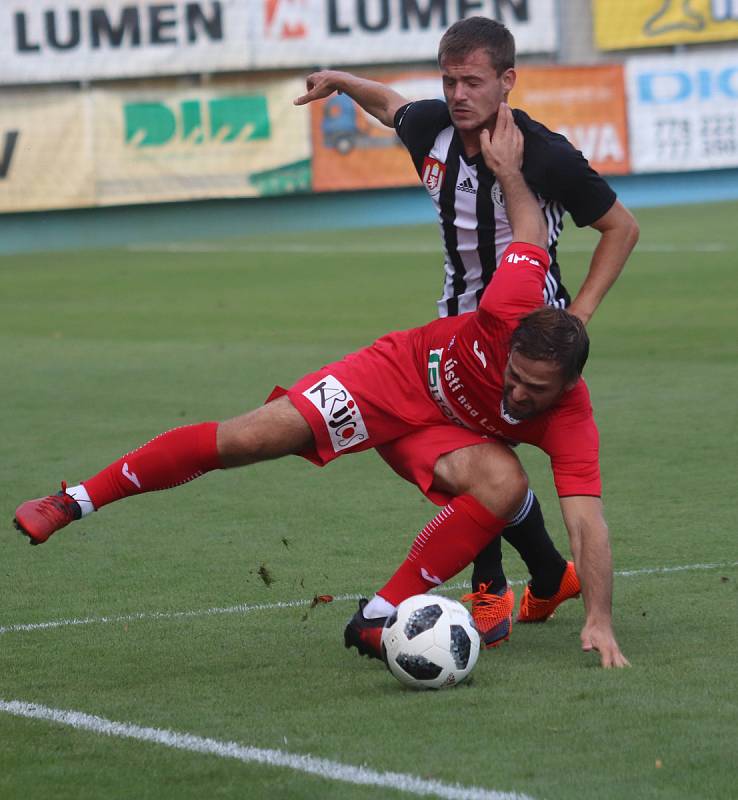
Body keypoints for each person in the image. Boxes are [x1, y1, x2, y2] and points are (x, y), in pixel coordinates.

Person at [14, 105, 629, 668]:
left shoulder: (573, 419)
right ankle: (75, 499)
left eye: (534, 392)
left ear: (568, 386)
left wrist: (600, 620)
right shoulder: (509, 299)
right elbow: (525, 225)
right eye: (513, 376)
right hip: (394, 377)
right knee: (251, 437)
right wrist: (510, 173)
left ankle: (381, 615)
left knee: (506, 482)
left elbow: (588, 522)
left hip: (441, 436)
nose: (517, 394)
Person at [294, 16, 639, 647]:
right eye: (449, 80)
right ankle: (531, 577)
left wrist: (579, 316)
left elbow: (622, 227)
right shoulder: (433, 127)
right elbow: (392, 107)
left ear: (507, 82)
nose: (457, 94)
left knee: (484, 453)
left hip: (525, 334)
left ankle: (495, 586)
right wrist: (342, 81)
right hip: (456, 325)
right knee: (477, 458)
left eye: (471, 81)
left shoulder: (548, 156)